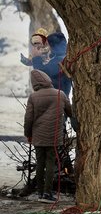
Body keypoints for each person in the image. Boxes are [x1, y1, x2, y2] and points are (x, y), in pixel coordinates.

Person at [24, 70, 72, 203]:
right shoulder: (60, 94)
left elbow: (28, 118)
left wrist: (28, 134)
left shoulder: (33, 97)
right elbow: (70, 111)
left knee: (40, 163)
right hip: (54, 136)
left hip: (38, 136)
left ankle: (39, 192)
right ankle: (47, 193)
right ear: (47, 80)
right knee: (50, 163)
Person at [32, 32, 72, 97]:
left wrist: (36, 58)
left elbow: (41, 73)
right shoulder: (62, 57)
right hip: (57, 99)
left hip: (56, 102)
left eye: (47, 44)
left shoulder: (60, 60)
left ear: (51, 45)